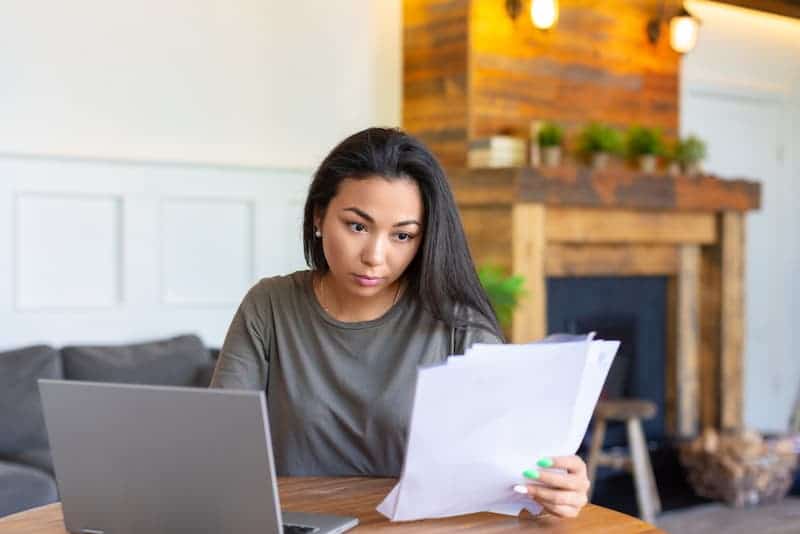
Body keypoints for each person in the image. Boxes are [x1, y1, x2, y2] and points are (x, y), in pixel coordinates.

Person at [210, 127, 590, 518]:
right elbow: (218, 444)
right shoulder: (269, 306)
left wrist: (556, 490)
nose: (375, 255)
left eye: (402, 236)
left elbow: (510, 477)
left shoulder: (459, 327)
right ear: (319, 216)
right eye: (357, 226)